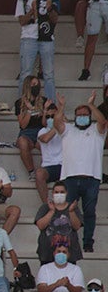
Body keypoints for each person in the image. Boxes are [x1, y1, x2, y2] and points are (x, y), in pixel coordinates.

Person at [53, 92, 107, 253]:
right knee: (66, 212)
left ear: (89, 116)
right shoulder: (68, 129)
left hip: (92, 179)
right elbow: (56, 122)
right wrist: (61, 107)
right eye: (78, 115)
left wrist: (91, 105)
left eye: (85, 115)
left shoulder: (98, 131)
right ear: (74, 116)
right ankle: (66, 242)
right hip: (70, 178)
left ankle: (88, 242)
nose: (81, 117)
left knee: (90, 212)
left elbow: (103, 121)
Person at [16, 0, 58, 99]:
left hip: (46, 38)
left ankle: (51, 105)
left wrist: (50, 8)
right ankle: (22, 104)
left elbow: (55, 20)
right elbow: (22, 21)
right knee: (26, 73)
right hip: (29, 38)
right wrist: (31, 11)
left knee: (49, 74)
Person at [34, 181, 83, 265]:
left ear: (66, 193)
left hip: (69, 252)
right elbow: (41, 226)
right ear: (52, 193)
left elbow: (77, 226)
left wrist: (71, 212)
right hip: (47, 253)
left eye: (62, 192)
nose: (59, 194)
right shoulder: (45, 207)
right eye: (56, 192)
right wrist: (52, 211)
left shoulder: (73, 207)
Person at [15, 75, 48, 181]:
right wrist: (30, 110)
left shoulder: (44, 101)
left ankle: (47, 170)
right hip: (27, 133)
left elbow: (46, 123)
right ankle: (31, 172)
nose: (36, 86)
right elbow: (23, 125)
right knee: (22, 142)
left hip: (41, 131)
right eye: (33, 84)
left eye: (37, 84)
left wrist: (44, 111)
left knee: (47, 143)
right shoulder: (20, 103)